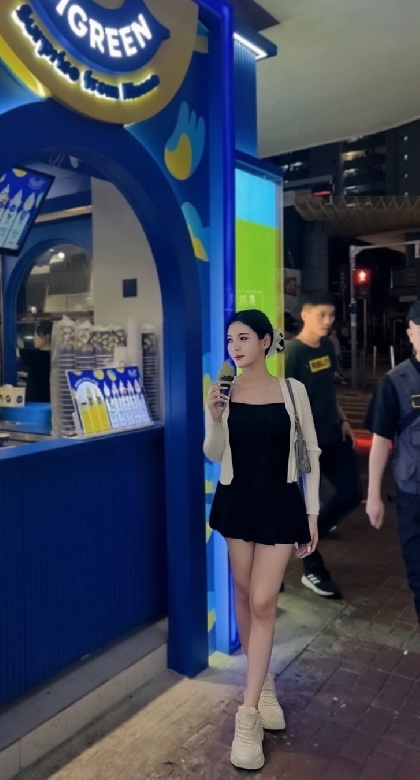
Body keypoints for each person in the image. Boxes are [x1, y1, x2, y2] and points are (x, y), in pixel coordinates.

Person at [205, 309, 320, 771]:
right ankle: (263, 683)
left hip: (279, 503)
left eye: (244, 338)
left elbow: (311, 453)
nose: (235, 346)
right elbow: (214, 453)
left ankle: (248, 716)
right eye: (230, 339)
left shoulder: (292, 391)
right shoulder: (224, 392)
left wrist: (312, 513)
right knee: (241, 590)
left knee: (262, 600)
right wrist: (215, 418)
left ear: (266, 342)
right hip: (237, 501)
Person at [285, 292, 362, 598]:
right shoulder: (292, 353)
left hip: (332, 436)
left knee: (351, 494)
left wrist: (343, 419)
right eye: (322, 315)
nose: (328, 321)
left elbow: (328, 389)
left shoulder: (328, 346)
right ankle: (313, 569)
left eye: (331, 315)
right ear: (305, 315)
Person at [364, 301, 420, 623]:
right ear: (410, 334)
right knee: (418, 577)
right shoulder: (395, 382)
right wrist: (373, 495)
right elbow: (379, 442)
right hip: (413, 496)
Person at [20, 321, 52, 403]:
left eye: (36, 335)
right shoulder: (56, 358)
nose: (34, 338)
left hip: (35, 400)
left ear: (46, 337)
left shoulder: (33, 357)